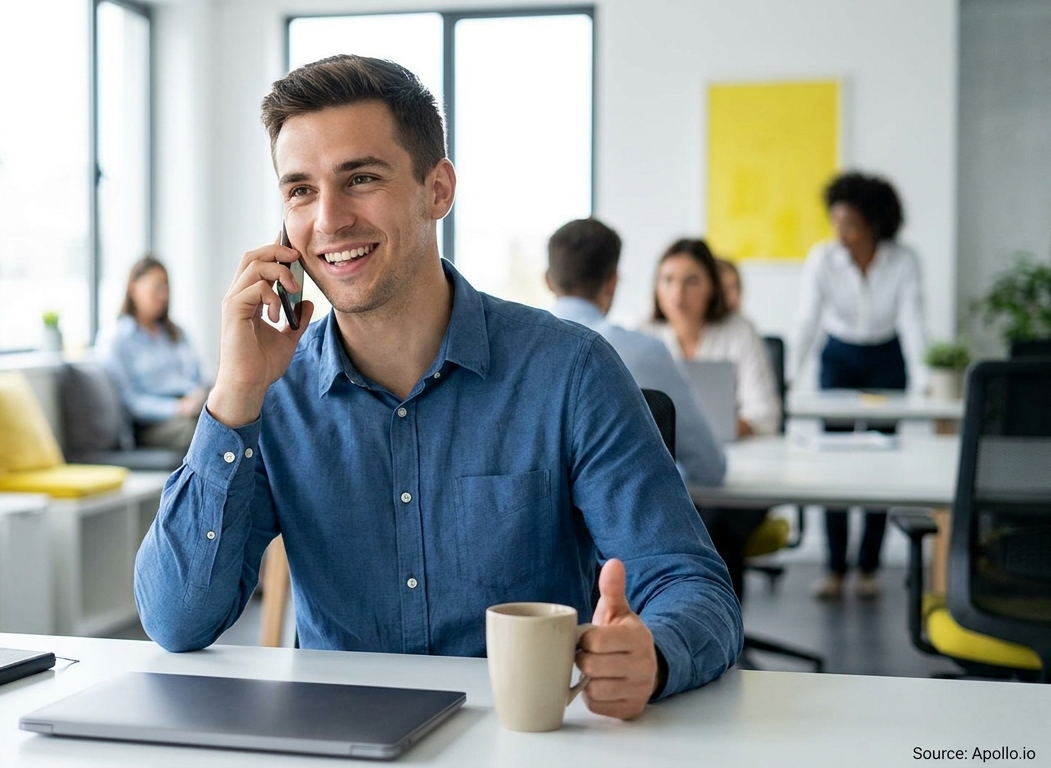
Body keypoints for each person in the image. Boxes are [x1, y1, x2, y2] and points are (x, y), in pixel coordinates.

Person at [134, 55, 741, 720]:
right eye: (300, 191)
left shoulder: (570, 371)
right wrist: (234, 394)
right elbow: (175, 618)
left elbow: (693, 587)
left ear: (437, 190)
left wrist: (652, 652)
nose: (329, 220)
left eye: (360, 178)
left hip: (523, 744)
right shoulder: (273, 391)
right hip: (343, 743)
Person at [791, 172, 928, 600]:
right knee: (834, 463)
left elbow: (913, 321)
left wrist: (925, 379)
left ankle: (868, 567)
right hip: (839, 357)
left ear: (875, 223)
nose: (841, 234)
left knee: (879, 465)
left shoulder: (903, 260)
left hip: (886, 359)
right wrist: (789, 379)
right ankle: (834, 567)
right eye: (836, 223)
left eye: (850, 224)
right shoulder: (822, 258)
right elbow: (807, 319)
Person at [546, 217, 726, 487]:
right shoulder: (646, 352)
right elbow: (709, 467)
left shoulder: (513, 352)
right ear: (612, 282)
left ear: (548, 281)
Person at [640, 239, 782, 438]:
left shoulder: (739, 332)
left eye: (691, 281)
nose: (678, 293)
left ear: (712, 287)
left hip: (733, 453)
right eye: (668, 280)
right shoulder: (642, 336)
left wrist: (708, 435)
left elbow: (765, 415)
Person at [96, 257, 210, 454]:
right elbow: (130, 401)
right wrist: (177, 408)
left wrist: (199, 394)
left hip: (195, 406)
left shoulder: (176, 332)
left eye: (166, 288)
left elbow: (199, 374)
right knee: (208, 431)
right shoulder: (118, 338)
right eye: (156, 287)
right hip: (155, 423)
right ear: (133, 288)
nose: (163, 295)